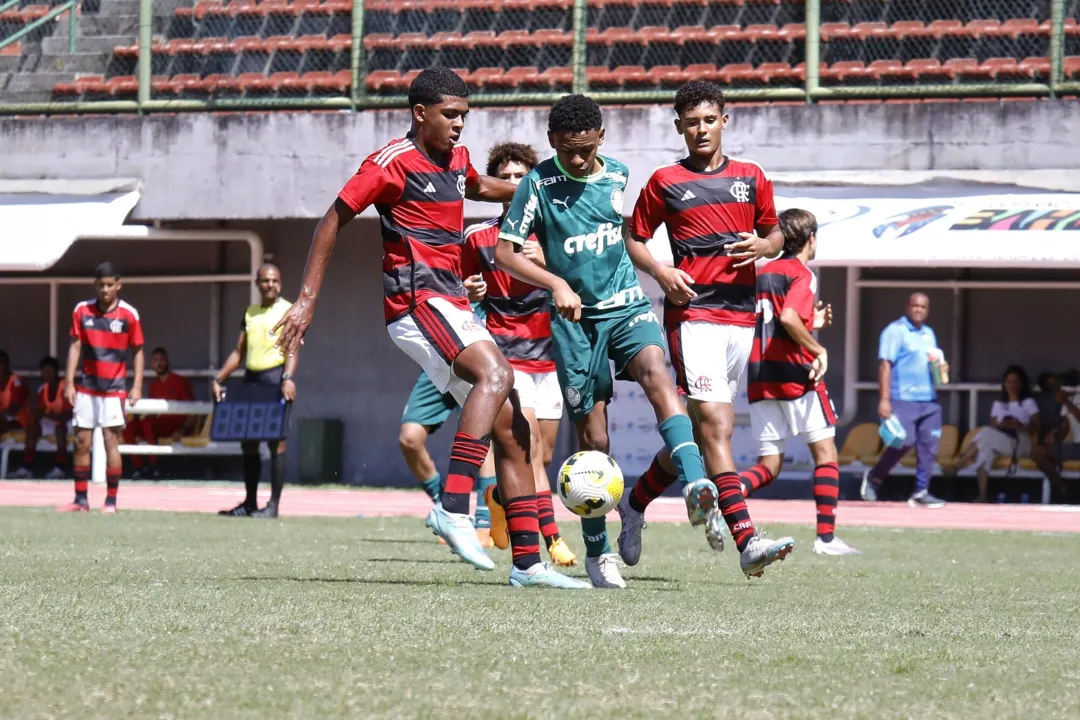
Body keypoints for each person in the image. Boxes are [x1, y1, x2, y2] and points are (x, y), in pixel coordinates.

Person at [272, 67, 587, 589]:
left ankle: (530, 564)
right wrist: (305, 301)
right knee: (497, 377)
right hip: (416, 303)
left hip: (452, 302)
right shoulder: (389, 164)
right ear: (420, 114)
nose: (460, 125)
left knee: (515, 430)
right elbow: (331, 219)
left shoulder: (456, 159)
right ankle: (453, 505)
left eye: (465, 115)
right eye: (450, 115)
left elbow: (478, 186)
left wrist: (531, 187)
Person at [496, 94, 790, 586]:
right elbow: (506, 254)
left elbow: (628, 237)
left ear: (602, 140)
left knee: (657, 374)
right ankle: (597, 552)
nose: (577, 159)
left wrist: (654, 269)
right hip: (576, 323)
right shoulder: (537, 185)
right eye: (568, 150)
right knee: (596, 439)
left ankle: (697, 482)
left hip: (627, 306)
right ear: (552, 142)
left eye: (586, 150)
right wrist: (556, 283)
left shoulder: (618, 175)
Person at [627, 80, 795, 577]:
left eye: (708, 120)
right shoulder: (664, 180)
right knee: (718, 425)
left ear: (725, 120)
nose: (700, 130)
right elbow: (633, 238)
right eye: (690, 122)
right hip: (693, 315)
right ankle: (748, 542)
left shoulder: (752, 175)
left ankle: (634, 504)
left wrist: (766, 248)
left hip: (741, 315)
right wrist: (661, 271)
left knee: (702, 437)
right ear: (679, 126)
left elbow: (775, 232)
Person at [462, 141, 576, 568]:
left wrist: (547, 262)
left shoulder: (553, 232)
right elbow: (457, 287)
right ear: (493, 185)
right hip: (506, 358)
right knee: (528, 454)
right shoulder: (478, 236)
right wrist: (469, 290)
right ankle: (552, 539)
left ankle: (497, 498)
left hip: (551, 357)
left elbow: (578, 285)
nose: (513, 184)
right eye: (504, 177)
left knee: (541, 456)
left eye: (521, 177)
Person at [736, 209, 859, 556]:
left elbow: (776, 320)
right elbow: (788, 317)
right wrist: (818, 347)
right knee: (826, 454)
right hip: (796, 377)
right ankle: (826, 538)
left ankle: (725, 497)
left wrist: (812, 320)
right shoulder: (802, 273)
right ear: (811, 238)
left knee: (768, 466)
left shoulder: (764, 272)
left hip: (760, 377)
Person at [57, 262, 145, 514]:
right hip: (86, 386)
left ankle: (111, 501)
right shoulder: (82, 310)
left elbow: (138, 351)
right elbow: (75, 346)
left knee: (110, 441)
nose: (105, 290)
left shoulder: (129, 315)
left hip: (114, 387)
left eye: (110, 285)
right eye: (101, 285)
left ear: (119, 285)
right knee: (82, 441)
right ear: (95, 285)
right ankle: (81, 500)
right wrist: (69, 382)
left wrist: (137, 386)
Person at [214, 263, 297, 519]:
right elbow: (238, 352)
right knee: (248, 443)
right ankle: (250, 502)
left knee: (276, 444)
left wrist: (287, 377)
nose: (269, 285)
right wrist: (219, 378)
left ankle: (273, 506)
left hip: (275, 379)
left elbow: (293, 348)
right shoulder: (249, 313)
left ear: (280, 282)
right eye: (265, 281)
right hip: (251, 380)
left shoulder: (288, 310)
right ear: (257, 283)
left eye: (274, 280)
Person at [860, 292, 948, 508]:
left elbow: (930, 365)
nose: (919, 310)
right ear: (907, 307)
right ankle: (874, 477)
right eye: (915, 306)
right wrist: (884, 399)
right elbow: (885, 364)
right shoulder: (895, 331)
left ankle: (921, 492)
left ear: (928, 311)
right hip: (902, 397)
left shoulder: (929, 334)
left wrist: (941, 370)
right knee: (903, 441)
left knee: (929, 446)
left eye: (923, 307)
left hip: (929, 399)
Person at [956, 365, 1040, 503]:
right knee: (985, 448)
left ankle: (962, 461)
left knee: (985, 433)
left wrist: (1021, 426)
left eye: (1015, 381)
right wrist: (1005, 424)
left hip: (1022, 442)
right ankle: (982, 495)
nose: (1011, 385)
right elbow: (994, 424)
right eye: (1008, 381)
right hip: (1002, 440)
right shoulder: (999, 404)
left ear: (1021, 384)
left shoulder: (1028, 403)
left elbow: (1037, 427)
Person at [124, 347, 196, 480]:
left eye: (162, 359)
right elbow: (153, 413)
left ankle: (155, 466)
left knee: (147, 423)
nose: (159, 363)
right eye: (155, 360)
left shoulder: (179, 381)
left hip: (175, 426)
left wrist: (183, 429)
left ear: (168, 361)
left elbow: (193, 410)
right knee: (130, 427)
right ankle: (139, 468)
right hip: (159, 426)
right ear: (151, 364)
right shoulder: (153, 385)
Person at [11, 356, 72, 480]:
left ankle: (60, 467)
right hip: (51, 420)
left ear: (56, 372)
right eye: (44, 371)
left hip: (68, 422)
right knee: (32, 428)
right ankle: (26, 467)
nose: (47, 374)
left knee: (60, 428)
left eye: (50, 371)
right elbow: (40, 412)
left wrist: (44, 414)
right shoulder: (42, 389)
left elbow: (67, 415)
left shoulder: (65, 387)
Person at [0, 350, 31, 438]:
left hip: (19, 420)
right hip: (4, 419)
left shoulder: (17, 381)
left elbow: (14, 408)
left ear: (6, 365)